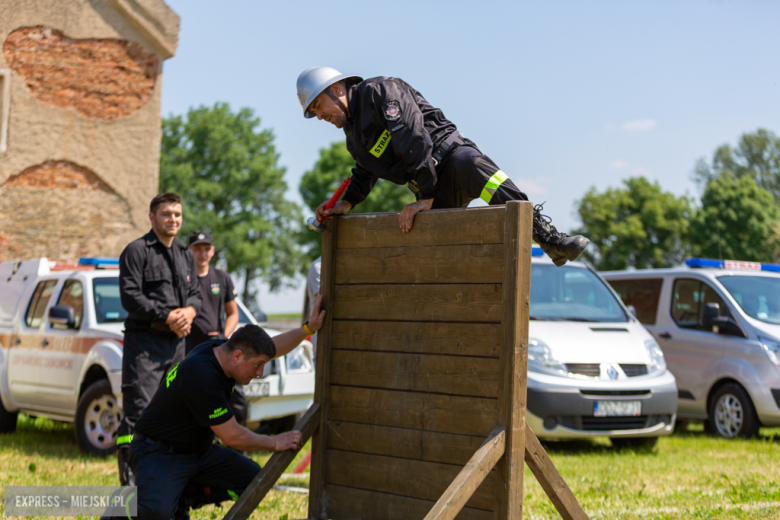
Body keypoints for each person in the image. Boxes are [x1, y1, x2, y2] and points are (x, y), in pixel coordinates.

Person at [295, 67, 589, 266]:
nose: (319, 116)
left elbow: (412, 136)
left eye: (318, 106)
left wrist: (424, 197)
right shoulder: (353, 138)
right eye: (313, 113)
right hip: (430, 188)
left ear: (336, 89)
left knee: (473, 164)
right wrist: (346, 202)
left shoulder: (381, 91)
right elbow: (364, 171)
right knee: (429, 253)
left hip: (451, 160)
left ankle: (549, 239)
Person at [125, 298, 325, 520]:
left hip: (196, 452)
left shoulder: (224, 350)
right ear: (238, 356)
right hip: (157, 453)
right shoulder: (203, 375)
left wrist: (308, 328)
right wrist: (274, 441)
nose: (260, 373)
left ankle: (180, 498)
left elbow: (272, 347)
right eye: (258, 365)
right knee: (156, 513)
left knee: (254, 480)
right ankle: (122, 507)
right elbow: (232, 437)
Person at [117, 193, 202, 485]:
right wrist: (167, 316)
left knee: (172, 414)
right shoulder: (136, 251)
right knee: (138, 415)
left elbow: (197, 296)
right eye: (166, 214)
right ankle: (130, 491)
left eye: (177, 214)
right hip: (145, 347)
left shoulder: (185, 254)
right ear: (152, 217)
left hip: (177, 346)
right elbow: (130, 296)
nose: (173, 220)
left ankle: (162, 484)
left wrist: (189, 312)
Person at [186, 230, 247, 426]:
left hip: (218, 348)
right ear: (189, 250)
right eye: (197, 249)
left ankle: (239, 446)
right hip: (188, 348)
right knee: (191, 397)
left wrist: (223, 336)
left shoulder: (222, 277)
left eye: (206, 249)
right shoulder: (182, 279)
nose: (202, 254)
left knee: (236, 397)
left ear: (212, 251)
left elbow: (233, 314)